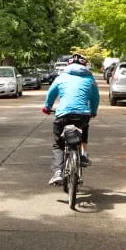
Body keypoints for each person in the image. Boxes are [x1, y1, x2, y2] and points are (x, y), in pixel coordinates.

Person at [40, 52, 100, 186]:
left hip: (63, 115)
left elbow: (51, 93)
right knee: (83, 128)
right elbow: (96, 97)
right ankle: (83, 154)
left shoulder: (62, 77)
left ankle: (58, 173)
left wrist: (47, 107)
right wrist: (93, 111)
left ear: (69, 64)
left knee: (59, 144)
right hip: (82, 115)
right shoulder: (90, 79)